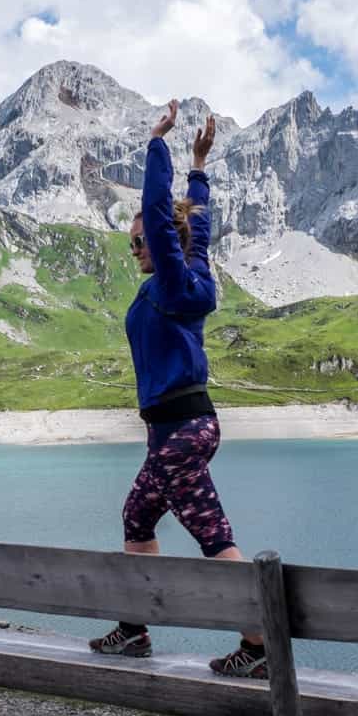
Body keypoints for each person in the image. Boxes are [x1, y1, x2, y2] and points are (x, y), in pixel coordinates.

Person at [88, 99, 267, 679]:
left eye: (139, 241)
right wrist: (198, 164)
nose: (135, 249)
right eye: (134, 244)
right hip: (174, 430)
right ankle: (136, 630)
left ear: (162, 242)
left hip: (183, 431)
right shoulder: (194, 272)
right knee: (138, 519)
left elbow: (160, 215)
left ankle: (259, 646)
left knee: (211, 532)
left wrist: (156, 142)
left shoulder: (171, 280)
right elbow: (201, 223)